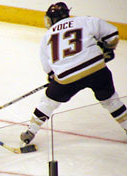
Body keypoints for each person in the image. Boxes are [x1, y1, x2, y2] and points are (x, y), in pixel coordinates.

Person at [20, 2, 127, 144]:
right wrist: (107, 48)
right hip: (96, 70)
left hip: (67, 77)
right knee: (111, 101)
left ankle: (30, 131)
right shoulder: (85, 20)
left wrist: (53, 78)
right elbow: (112, 35)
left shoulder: (47, 36)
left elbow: (48, 68)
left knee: (48, 102)